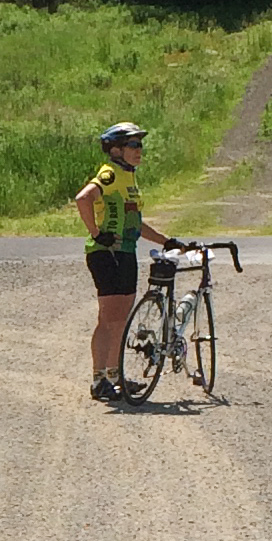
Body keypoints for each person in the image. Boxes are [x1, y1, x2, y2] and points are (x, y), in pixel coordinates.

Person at [74, 122, 177, 402]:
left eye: (140, 145)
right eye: (133, 145)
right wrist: (96, 232)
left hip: (126, 251)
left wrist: (165, 241)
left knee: (121, 319)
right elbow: (83, 198)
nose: (139, 150)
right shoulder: (109, 174)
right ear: (116, 150)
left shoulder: (128, 177)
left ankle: (115, 376)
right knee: (108, 319)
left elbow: (136, 222)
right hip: (107, 253)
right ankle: (99, 380)